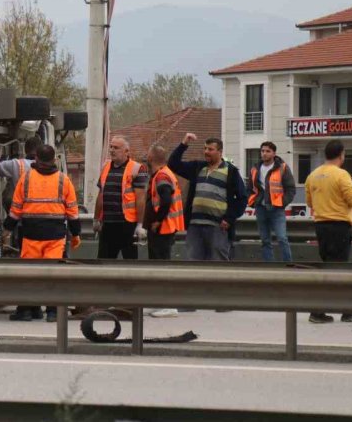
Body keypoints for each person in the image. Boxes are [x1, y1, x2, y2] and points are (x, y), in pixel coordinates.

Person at [5, 144, 81, 322]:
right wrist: (76, 234)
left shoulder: (26, 179)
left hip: (31, 235)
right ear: (54, 159)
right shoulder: (64, 180)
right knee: (53, 273)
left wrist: (7, 230)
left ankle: (27, 310)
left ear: (36, 159)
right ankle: (53, 311)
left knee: (30, 274)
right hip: (55, 237)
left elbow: (15, 210)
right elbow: (72, 212)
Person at [168, 133, 247, 261]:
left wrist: (229, 219)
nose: (206, 152)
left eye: (210, 149)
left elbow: (242, 198)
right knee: (194, 263)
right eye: (205, 148)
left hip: (218, 226)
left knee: (218, 263)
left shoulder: (231, 172)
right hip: (195, 226)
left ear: (220, 152)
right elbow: (173, 164)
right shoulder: (198, 168)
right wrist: (184, 144)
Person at [305, 139, 352, 324]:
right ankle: (329, 311)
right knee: (340, 269)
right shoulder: (341, 175)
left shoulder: (313, 175)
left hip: (321, 226)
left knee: (329, 266)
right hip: (339, 226)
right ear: (341, 154)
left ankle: (339, 310)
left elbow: (309, 203)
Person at [0, 136, 44, 320]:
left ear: (25, 149)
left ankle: (25, 309)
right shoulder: (55, 173)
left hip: (26, 226)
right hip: (51, 228)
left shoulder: (17, 166)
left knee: (26, 268)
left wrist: (6, 229)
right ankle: (40, 309)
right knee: (44, 270)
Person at [139, 144, 185, 318]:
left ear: (151, 158)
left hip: (163, 227)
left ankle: (169, 305)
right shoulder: (162, 173)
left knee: (162, 266)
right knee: (157, 265)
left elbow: (165, 200)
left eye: (148, 155)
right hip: (163, 227)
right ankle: (159, 302)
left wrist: (157, 220)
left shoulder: (162, 176)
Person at [94, 136, 148, 260]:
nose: (112, 150)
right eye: (111, 147)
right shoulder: (106, 167)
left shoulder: (137, 168)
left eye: (116, 148)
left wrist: (140, 224)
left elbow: (140, 199)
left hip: (127, 225)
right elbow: (101, 194)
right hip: (107, 224)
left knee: (129, 262)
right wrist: (96, 219)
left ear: (126, 151)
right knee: (103, 262)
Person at [247, 141, 297, 262]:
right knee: (265, 240)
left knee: (282, 238)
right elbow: (249, 188)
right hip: (261, 208)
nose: (264, 153)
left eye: (268, 151)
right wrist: (253, 202)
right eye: (262, 151)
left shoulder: (282, 167)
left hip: (276, 208)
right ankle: (268, 265)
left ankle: (288, 264)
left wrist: (282, 202)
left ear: (274, 153)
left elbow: (290, 189)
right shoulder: (255, 168)